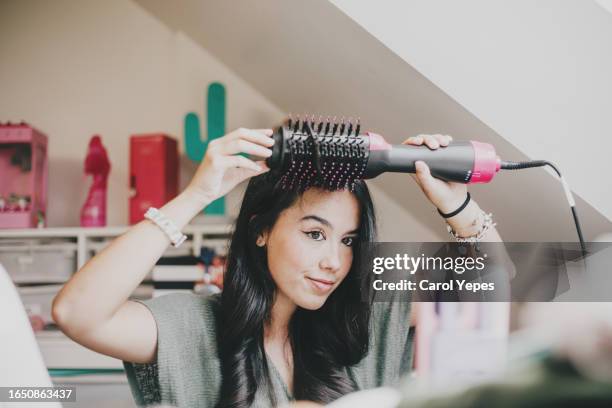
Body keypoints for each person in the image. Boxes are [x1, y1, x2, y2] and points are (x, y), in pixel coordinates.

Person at [52, 128, 503, 408]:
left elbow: (494, 286)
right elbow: (77, 313)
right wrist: (195, 196)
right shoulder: (193, 328)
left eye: (348, 241)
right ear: (260, 230)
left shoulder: (367, 320)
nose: (334, 261)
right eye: (314, 233)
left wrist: (456, 204)